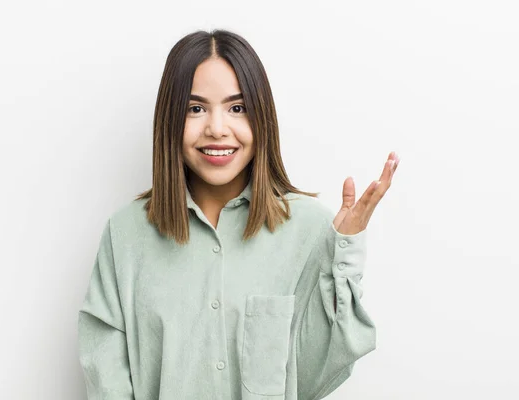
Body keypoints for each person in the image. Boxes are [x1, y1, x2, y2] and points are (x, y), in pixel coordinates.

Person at [77, 29, 399, 400]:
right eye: (195, 108)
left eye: (237, 108)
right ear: (170, 119)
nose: (217, 129)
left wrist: (342, 251)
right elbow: (106, 376)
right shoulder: (125, 234)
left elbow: (314, 375)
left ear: (262, 117)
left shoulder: (310, 230)